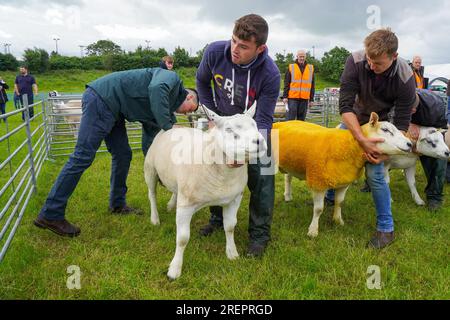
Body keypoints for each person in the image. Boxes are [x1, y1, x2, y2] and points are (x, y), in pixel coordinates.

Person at [34, 68, 199, 237]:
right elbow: (156, 89)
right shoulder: (171, 79)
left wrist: (161, 169)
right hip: (102, 98)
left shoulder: (162, 106)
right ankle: (51, 213)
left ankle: (117, 204)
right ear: (190, 96)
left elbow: (152, 139)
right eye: (191, 109)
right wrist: (169, 126)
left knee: (123, 154)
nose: (188, 113)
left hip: (115, 110)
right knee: (82, 156)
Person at [196, 14, 281, 257]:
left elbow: (264, 118)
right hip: (223, 126)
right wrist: (213, 120)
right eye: (233, 41)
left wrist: (245, 154)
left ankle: (260, 234)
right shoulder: (214, 52)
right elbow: (202, 83)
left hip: (253, 129)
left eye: (243, 46)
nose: (235, 49)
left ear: (260, 48)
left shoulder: (271, 73)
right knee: (214, 171)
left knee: (263, 175)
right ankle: (217, 219)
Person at [325, 28, 417, 249]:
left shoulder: (405, 76)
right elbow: (345, 105)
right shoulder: (355, 60)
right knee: (335, 149)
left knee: (376, 174)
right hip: (355, 117)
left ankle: (386, 228)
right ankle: (329, 195)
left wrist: (383, 153)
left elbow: (402, 123)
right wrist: (360, 138)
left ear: (394, 57)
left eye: (378, 63)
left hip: (384, 124)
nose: (371, 66)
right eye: (369, 59)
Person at [407, 89, 448, 211]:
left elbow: (440, 130)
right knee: (389, 148)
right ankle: (374, 180)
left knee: (437, 158)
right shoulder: (397, 95)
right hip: (407, 126)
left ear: (413, 110)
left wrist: (420, 140)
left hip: (431, 127)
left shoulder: (435, 107)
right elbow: (389, 116)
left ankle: (434, 196)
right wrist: (408, 123)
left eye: (407, 111)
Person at [282, 50, 315, 121]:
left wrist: (311, 99)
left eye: (303, 56)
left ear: (305, 57)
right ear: (297, 57)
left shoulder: (310, 68)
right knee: (290, 119)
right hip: (292, 98)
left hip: (304, 99)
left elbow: (312, 85)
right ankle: (289, 132)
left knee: (301, 121)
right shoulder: (291, 67)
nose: (302, 58)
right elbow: (286, 83)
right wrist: (285, 96)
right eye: (300, 56)